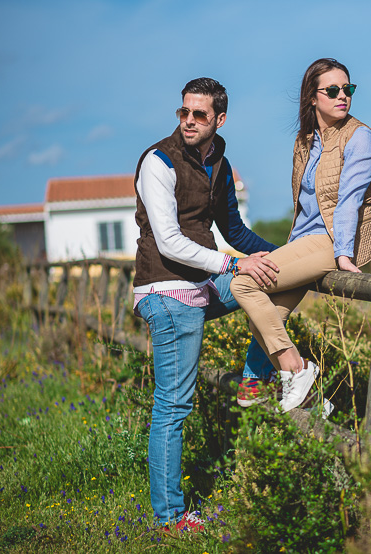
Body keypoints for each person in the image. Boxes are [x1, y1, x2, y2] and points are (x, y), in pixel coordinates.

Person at [132, 77, 280, 532]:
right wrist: (231, 266)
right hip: (167, 291)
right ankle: (170, 518)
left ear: (219, 119)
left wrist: (282, 255)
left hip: (202, 285)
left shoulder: (218, 162)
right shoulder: (159, 162)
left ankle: (254, 380)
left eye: (199, 114)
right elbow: (170, 242)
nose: (189, 121)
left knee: (273, 283)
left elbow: (234, 231)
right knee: (174, 405)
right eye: (183, 112)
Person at [230, 58, 371, 412]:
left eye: (348, 89)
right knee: (268, 315)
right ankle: (305, 399)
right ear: (312, 97)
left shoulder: (361, 138)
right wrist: (288, 250)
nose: (342, 96)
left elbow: (348, 202)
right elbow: (303, 205)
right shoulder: (305, 142)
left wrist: (344, 254)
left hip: (335, 242)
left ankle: (295, 370)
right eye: (333, 90)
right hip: (306, 242)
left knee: (243, 284)